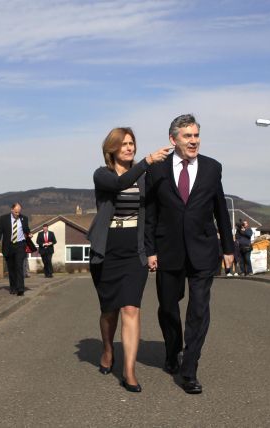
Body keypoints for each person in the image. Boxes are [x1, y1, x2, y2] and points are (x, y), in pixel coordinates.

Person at [145, 114, 234, 394]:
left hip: (203, 250)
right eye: (188, 136)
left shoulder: (212, 168)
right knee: (168, 307)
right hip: (168, 250)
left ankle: (190, 369)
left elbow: (220, 208)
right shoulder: (157, 171)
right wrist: (150, 250)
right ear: (173, 140)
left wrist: (229, 248)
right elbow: (150, 213)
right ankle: (172, 352)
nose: (194, 141)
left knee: (199, 310)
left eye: (196, 135)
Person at [88, 127, 170, 393]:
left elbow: (151, 216)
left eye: (131, 143)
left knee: (131, 309)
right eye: (123, 144)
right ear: (111, 149)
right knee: (109, 311)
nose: (128, 147)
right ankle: (108, 349)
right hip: (107, 252)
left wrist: (151, 250)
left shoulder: (142, 178)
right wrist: (147, 162)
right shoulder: (103, 175)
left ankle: (129, 370)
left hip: (134, 253)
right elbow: (119, 185)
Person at [0, 203, 31, 296]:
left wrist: (29, 234)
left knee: (19, 266)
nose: (17, 214)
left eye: (19, 212)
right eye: (16, 212)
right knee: (11, 268)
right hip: (9, 246)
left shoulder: (24, 218)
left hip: (20, 245)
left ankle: (20, 288)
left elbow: (27, 230)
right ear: (12, 210)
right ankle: (13, 287)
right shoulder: (4, 218)